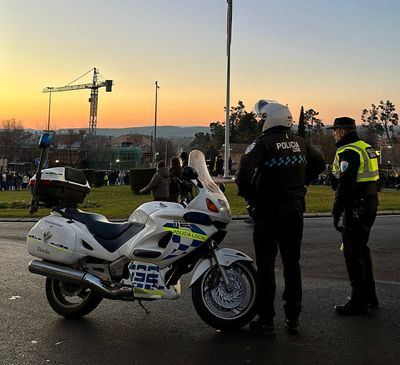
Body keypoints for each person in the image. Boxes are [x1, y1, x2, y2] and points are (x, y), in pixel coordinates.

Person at [236, 99, 325, 336]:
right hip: (295, 209)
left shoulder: (262, 143)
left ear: (270, 118)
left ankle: (266, 320)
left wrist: (250, 197)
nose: (260, 121)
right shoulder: (300, 142)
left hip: (268, 210)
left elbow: (244, 169)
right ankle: (293, 317)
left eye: (262, 117)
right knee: (291, 264)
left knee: (266, 266)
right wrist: (302, 184)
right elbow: (320, 162)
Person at [329, 117, 379, 315]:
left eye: (335, 130)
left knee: (352, 253)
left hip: (355, 207)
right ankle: (370, 296)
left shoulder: (348, 151)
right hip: (369, 203)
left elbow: (345, 184)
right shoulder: (365, 147)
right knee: (362, 251)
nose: (333, 133)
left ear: (342, 131)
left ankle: (358, 301)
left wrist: (336, 211)